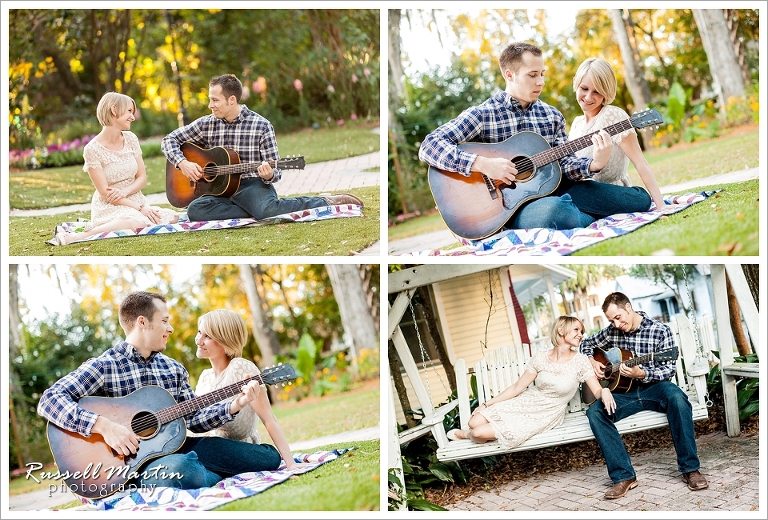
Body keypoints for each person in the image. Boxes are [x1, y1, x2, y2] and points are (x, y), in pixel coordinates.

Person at [37, 291, 282, 492]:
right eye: (164, 321)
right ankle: (198, 473)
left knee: (267, 458)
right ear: (143, 322)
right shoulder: (104, 366)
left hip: (180, 447)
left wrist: (235, 404)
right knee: (186, 470)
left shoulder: (173, 369)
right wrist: (104, 426)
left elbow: (194, 419)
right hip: (132, 464)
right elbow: (50, 400)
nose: (171, 328)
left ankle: (200, 473)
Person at [418, 42, 652, 231]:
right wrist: (483, 164)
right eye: (532, 75)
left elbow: (564, 164)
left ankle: (579, 216)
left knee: (638, 201)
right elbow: (429, 146)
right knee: (558, 212)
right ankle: (577, 215)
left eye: (542, 74)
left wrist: (594, 164)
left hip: (559, 190)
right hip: (510, 208)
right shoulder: (483, 115)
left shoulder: (552, 116)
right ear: (510, 75)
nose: (540, 81)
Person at [161, 74, 362, 221]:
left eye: (215, 100)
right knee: (195, 211)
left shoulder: (261, 125)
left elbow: (275, 172)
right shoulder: (207, 123)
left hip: (250, 185)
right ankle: (254, 210)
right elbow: (168, 140)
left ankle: (325, 202)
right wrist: (183, 163)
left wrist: (267, 175)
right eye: (210, 99)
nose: (210, 105)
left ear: (232, 100)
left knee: (267, 211)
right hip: (217, 190)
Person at [580, 292, 708, 499]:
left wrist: (643, 373)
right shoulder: (611, 331)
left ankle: (690, 469)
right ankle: (624, 477)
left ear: (628, 308)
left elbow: (668, 370)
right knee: (595, 412)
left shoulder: (659, 330)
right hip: (623, 392)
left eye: (618, 317)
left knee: (677, 398)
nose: (615, 324)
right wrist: (592, 361)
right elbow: (586, 344)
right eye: (611, 320)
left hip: (655, 388)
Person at [446, 316, 616, 447]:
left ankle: (466, 435)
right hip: (526, 402)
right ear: (561, 330)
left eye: (582, 331)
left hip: (546, 413)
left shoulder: (581, 361)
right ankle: (474, 431)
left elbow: (596, 390)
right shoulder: (541, 358)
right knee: (473, 422)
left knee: (477, 432)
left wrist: (605, 391)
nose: (581, 335)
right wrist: (486, 404)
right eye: (576, 330)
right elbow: (517, 387)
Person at [50, 92, 179, 246]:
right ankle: (79, 236)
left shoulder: (131, 138)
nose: (133, 116)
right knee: (137, 222)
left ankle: (128, 219)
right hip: (110, 205)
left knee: (172, 217)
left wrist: (130, 196)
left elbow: (142, 178)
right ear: (114, 110)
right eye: (129, 111)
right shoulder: (92, 149)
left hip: (135, 199)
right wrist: (139, 209)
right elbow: (105, 193)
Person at [191, 309, 312, 472]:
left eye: (208, 336)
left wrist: (290, 463)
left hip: (239, 450)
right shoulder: (205, 377)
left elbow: (269, 419)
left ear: (226, 340)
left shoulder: (241, 368)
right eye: (200, 332)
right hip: (212, 450)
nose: (199, 340)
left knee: (268, 457)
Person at [569, 58, 666, 209]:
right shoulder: (576, 123)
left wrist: (661, 205)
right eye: (584, 88)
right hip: (583, 195)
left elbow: (640, 162)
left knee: (641, 199)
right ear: (575, 83)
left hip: (611, 194)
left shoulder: (613, 116)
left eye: (597, 91)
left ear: (606, 92)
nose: (588, 97)